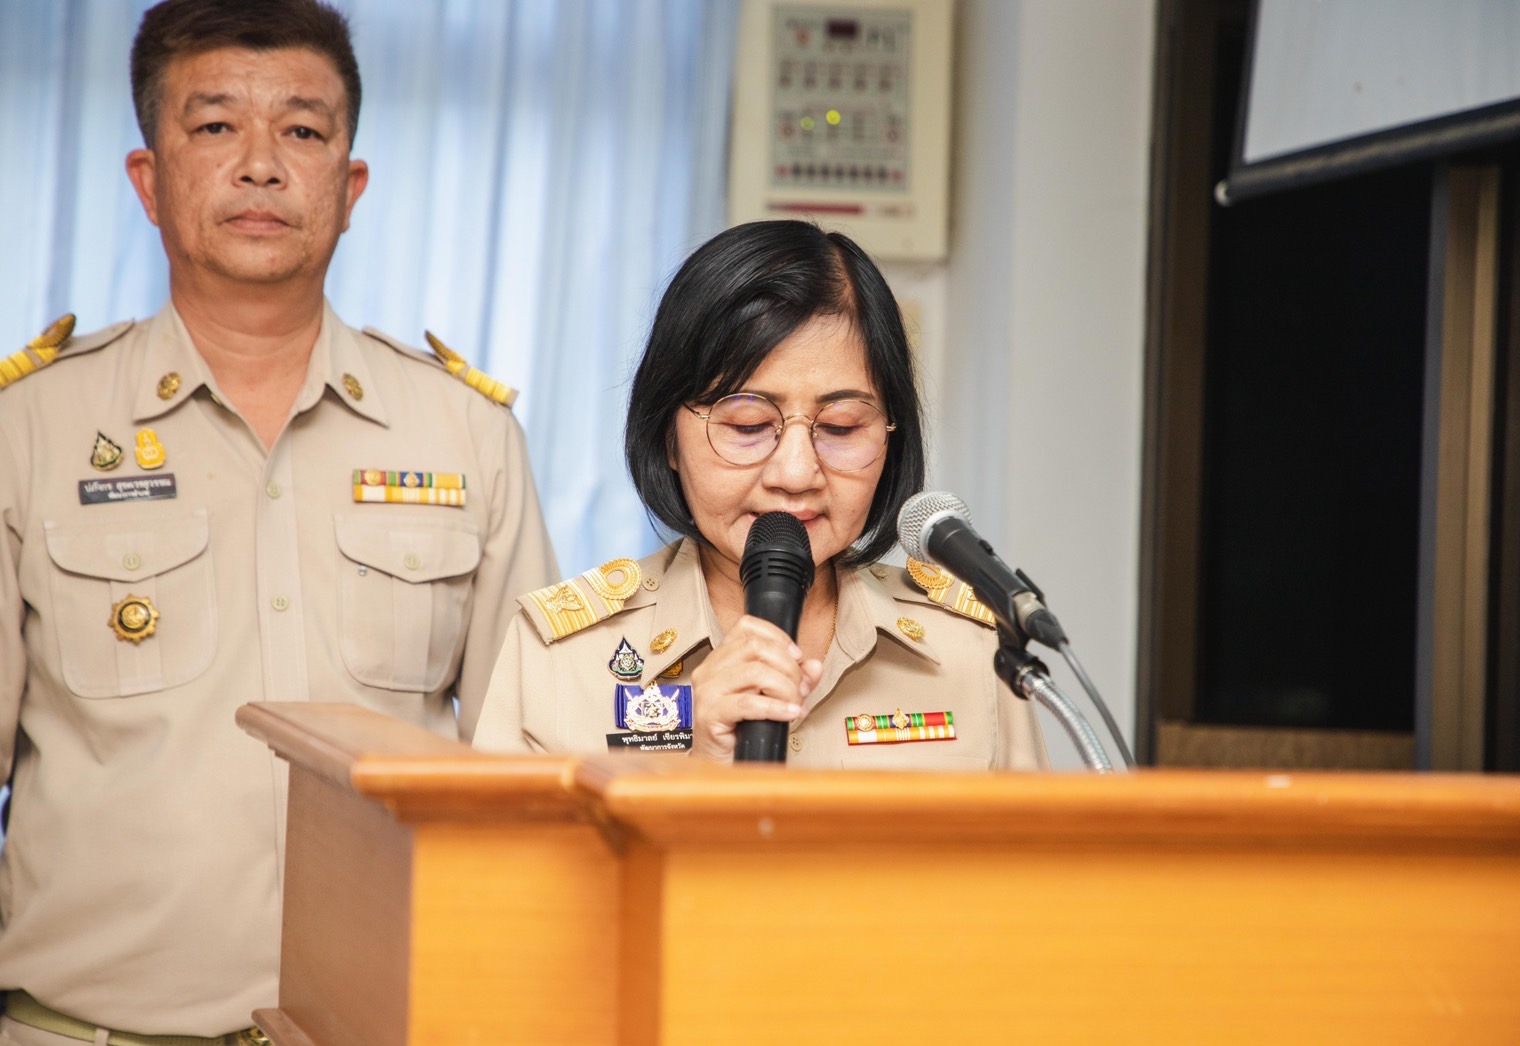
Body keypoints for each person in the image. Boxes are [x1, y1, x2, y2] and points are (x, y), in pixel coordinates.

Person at [0, 1, 557, 1041]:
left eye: (302, 130)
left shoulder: (465, 434)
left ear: (348, 187)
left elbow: (525, 774)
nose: (260, 164)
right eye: (215, 126)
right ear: (146, 179)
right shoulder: (29, 428)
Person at [474, 220, 1047, 770]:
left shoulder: (975, 648)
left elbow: (1038, 870)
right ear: (667, 436)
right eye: (747, 425)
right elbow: (503, 871)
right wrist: (693, 770)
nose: (797, 474)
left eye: (842, 426)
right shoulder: (558, 657)